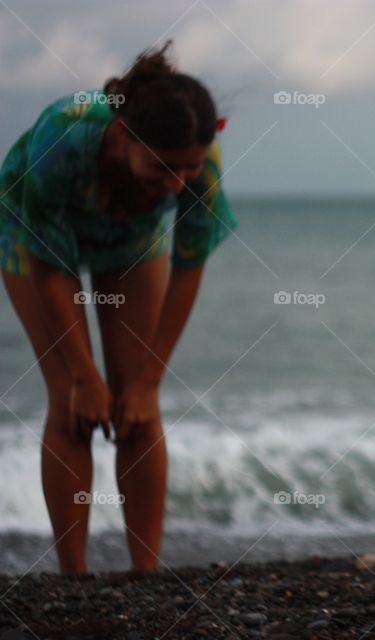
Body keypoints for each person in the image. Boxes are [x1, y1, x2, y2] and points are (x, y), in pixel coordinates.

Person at [0, 41, 236, 573]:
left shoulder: (203, 159)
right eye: (162, 168)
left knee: (137, 408)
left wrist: (149, 380)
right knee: (72, 402)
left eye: (187, 169)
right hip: (29, 233)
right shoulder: (62, 137)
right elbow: (50, 268)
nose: (176, 184)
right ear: (125, 134)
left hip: (129, 237)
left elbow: (189, 265)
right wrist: (84, 375)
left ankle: (145, 573)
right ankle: (73, 576)